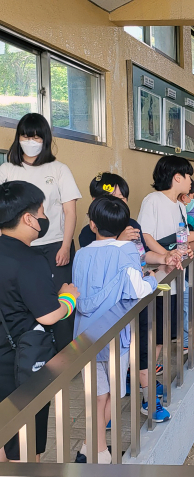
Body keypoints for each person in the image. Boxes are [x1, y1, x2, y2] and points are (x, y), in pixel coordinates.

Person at [78, 172, 182, 423]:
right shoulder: (87, 237)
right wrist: (122, 244)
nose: (118, 203)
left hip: (123, 313)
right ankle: (106, 425)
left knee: (141, 354)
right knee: (109, 381)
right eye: (112, 198)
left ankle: (142, 403)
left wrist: (164, 259)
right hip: (115, 317)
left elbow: (142, 256)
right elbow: (127, 275)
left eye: (122, 198)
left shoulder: (132, 225)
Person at [73, 196, 157, 464]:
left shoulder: (81, 252)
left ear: (92, 224)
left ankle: (91, 449)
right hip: (113, 334)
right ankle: (101, 454)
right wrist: (152, 280)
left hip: (85, 336)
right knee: (113, 393)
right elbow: (137, 290)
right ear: (123, 225)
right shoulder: (126, 250)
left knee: (97, 397)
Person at [0, 181, 80, 462]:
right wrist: (68, 298)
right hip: (20, 364)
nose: (45, 220)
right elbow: (48, 314)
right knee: (24, 446)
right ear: (27, 218)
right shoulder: (28, 259)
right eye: (43, 212)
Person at [0, 113, 82, 351]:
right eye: (26, 135)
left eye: (37, 137)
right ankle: (29, 356)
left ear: (45, 139)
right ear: (18, 138)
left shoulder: (58, 169)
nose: (31, 141)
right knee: (21, 306)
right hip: (16, 249)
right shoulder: (6, 169)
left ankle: (64, 358)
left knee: (58, 300)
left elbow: (70, 211)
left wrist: (66, 246)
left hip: (55, 246)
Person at [137, 156, 194, 359]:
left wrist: (185, 249)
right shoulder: (153, 200)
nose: (191, 181)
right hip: (158, 273)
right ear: (177, 177)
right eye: (189, 176)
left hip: (175, 272)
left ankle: (188, 342)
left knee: (170, 323)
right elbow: (145, 235)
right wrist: (166, 256)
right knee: (157, 331)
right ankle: (143, 374)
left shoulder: (180, 206)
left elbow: (181, 236)